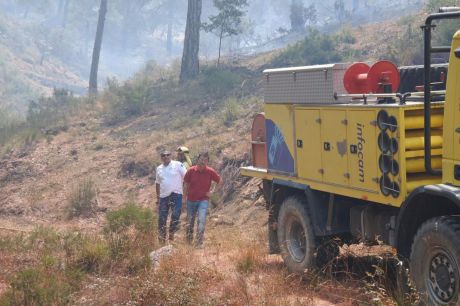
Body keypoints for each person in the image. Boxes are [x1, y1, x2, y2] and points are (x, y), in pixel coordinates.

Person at [183, 152, 222, 248]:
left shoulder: (210, 171)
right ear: (197, 160)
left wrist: (212, 192)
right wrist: (184, 198)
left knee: (201, 220)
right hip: (191, 200)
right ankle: (188, 242)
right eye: (201, 159)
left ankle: (199, 242)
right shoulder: (191, 171)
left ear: (207, 162)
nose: (202, 162)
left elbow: (220, 181)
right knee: (190, 222)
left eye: (205, 160)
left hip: (203, 200)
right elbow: (186, 184)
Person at [155, 150, 186, 244]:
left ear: (171, 155)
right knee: (162, 218)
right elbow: (157, 183)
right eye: (163, 155)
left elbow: (187, 177)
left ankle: (171, 235)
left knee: (176, 215)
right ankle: (161, 240)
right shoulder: (159, 168)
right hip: (163, 196)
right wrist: (158, 198)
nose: (166, 157)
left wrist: (185, 192)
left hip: (176, 194)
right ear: (161, 157)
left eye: (168, 154)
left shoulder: (178, 165)